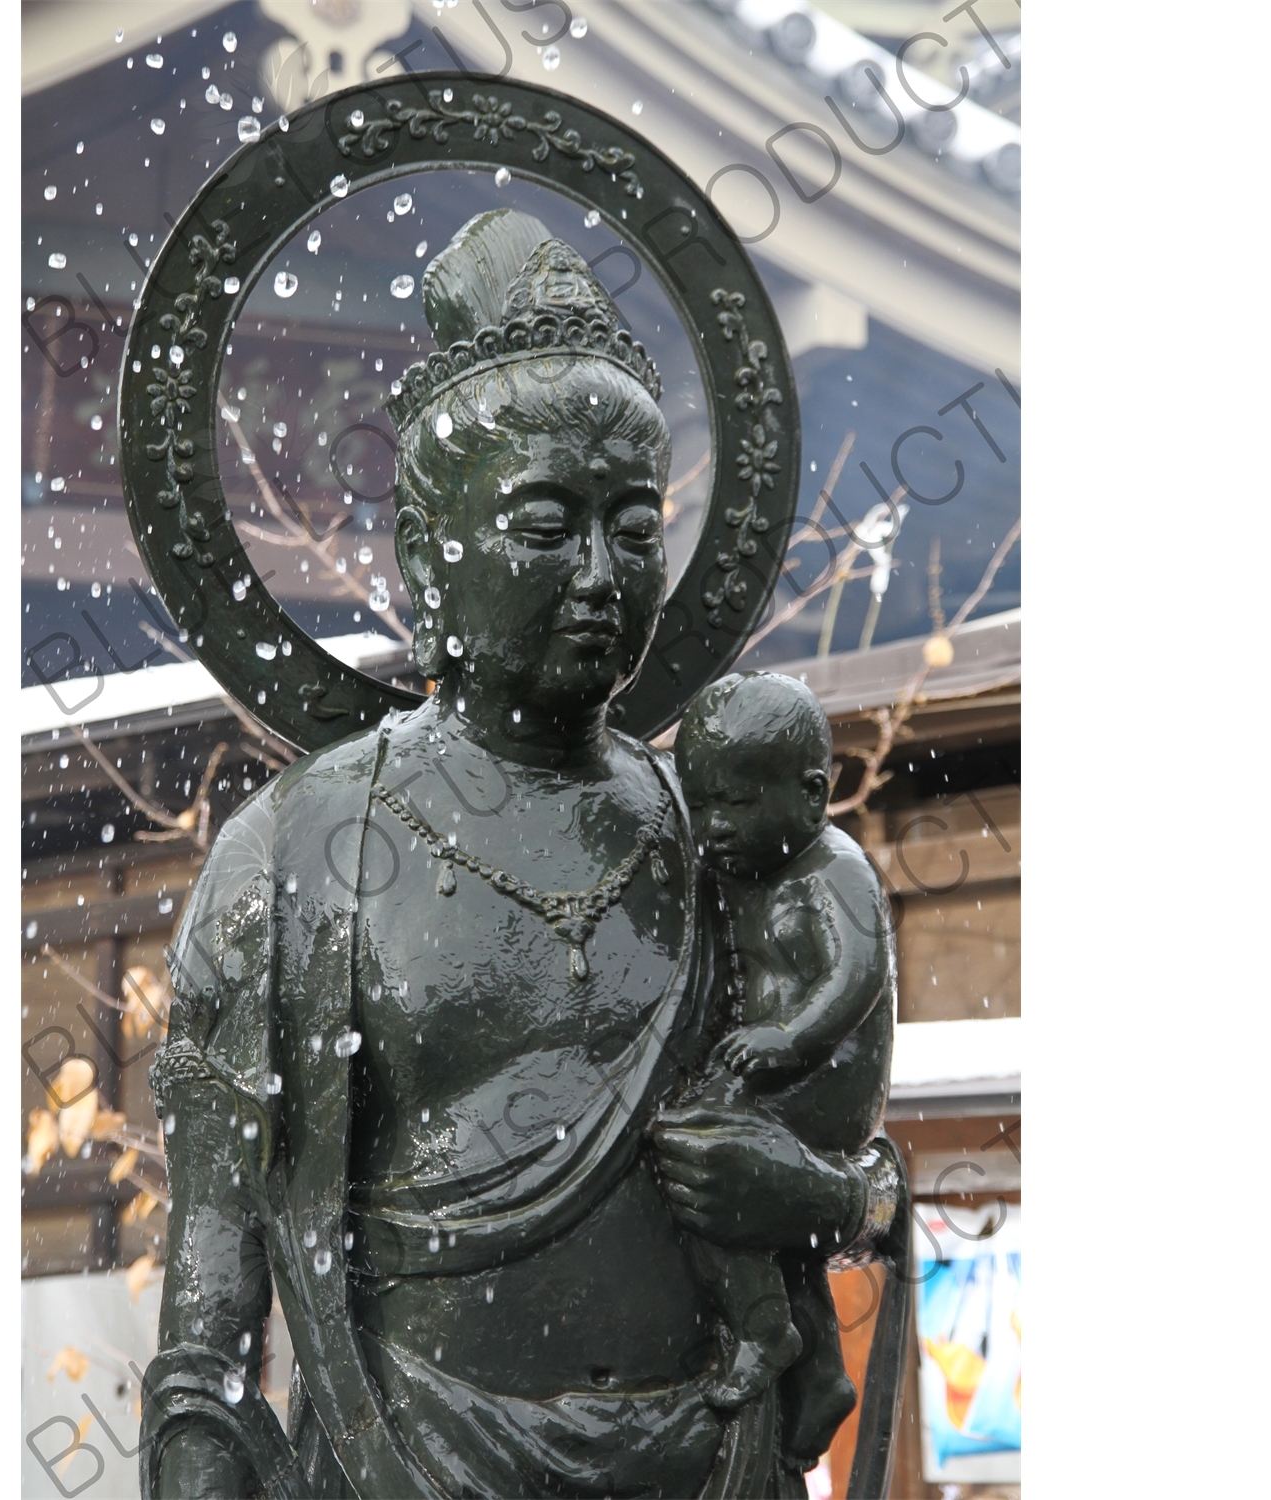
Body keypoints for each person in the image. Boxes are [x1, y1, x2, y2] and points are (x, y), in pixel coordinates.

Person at [139, 210, 901, 1499]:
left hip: (707, 1452)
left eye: (635, 524)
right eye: (545, 525)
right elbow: (216, 1243)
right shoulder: (296, 854)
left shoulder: (741, 847)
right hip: (401, 1452)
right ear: (429, 555)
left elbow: (865, 1178)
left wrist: (815, 1197)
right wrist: (199, 1434)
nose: (602, 574)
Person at [674, 672, 897, 1466]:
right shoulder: (742, 872)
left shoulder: (831, 869)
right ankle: (822, 1371)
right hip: (773, 1073)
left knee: (710, 1166)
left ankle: (767, 1331)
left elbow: (855, 974)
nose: (715, 827)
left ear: (811, 795)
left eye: (736, 805)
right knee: (771, 1226)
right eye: (701, 806)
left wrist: (792, 1039)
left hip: (821, 1081)